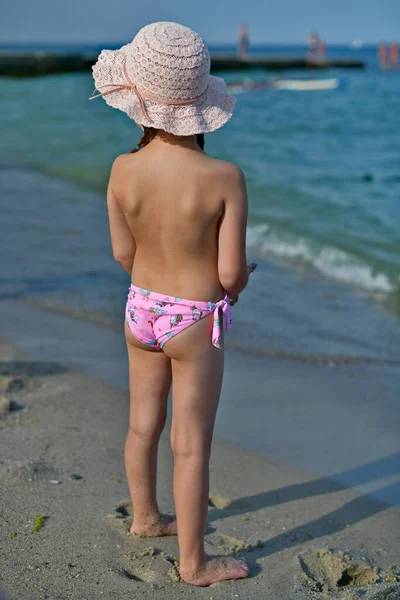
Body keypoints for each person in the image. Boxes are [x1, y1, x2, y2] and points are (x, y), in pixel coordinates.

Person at [90, 22, 255, 586]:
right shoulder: (224, 177)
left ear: (135, 100)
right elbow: (229, 272)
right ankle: (193, 563)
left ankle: (144, 517)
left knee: (143, 425)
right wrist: (235, 286)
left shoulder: (121, 168)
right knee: (191, 445)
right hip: (192, 318)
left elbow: (122, 251)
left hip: (141, 307)